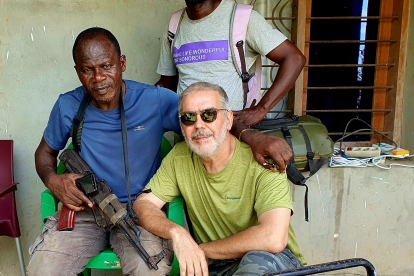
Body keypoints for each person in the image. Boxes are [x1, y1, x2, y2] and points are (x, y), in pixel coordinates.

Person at [28, 27, 292, 276]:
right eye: (88, 70)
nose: (98, 78)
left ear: (122, 63)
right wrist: (53, 180)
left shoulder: (153, 99)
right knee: (43, 268)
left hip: (139, 214)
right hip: (86, 209)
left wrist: (252, 136)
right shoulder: (67, 105)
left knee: (149, 269)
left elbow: (202, 119)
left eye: (106, 66)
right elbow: (44, 153)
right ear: (77, 71)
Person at [134, 82, 306, 276]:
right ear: (182, 127)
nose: (199, 125)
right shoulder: (179, 158)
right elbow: (143, 205)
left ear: (229, 119)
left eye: (209, 115)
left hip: (274, 262)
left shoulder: (262, 160)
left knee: (255, 262)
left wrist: (201, 250)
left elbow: (273, 238)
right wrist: (178, 234)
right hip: (216, 266)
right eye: (188, 118)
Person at [155, 0, 306, 126]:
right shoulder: (174, 25)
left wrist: (261, 110)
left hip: (233, 136)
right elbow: (167, 85)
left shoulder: (242, 19)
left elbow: (294, 58)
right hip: (188, 133)